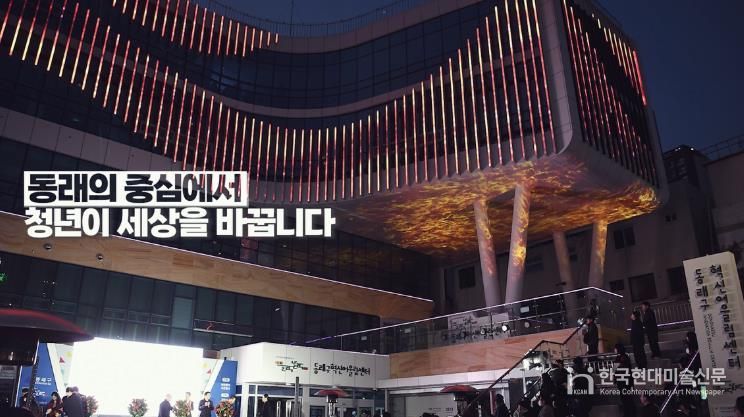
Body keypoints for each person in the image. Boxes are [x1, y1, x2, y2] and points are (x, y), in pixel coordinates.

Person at [613, 343, 635, 417]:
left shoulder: (619, 358)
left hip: (622, 382)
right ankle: (631, 413)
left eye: (615, 348)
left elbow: (615, 370)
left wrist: (615, 379)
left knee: (625, 399)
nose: (614, 350)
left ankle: (628, 414)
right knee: (628, 399)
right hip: (627, 381)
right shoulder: (625, 357)